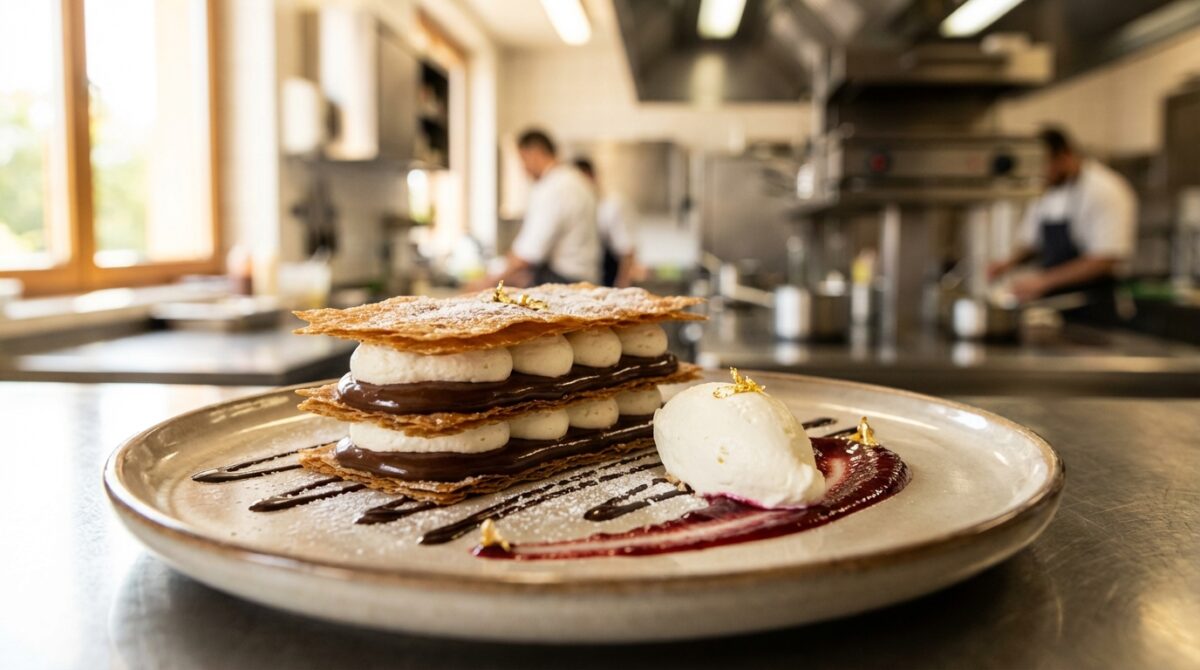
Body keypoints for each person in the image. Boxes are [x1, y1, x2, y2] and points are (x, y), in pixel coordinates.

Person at [988, 127, 1137, 325]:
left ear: (1065, 155)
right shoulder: (1046, 189)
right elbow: (1031, 242)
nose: (1040, 172)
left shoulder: (1107, 190)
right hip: (1053, 306)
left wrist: (1043, 281)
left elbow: (1105, 259)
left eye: (1044, 164)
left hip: (1093, 308)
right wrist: (1007, 264)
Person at [481, 129, 599, 287]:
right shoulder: (575, 179)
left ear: (535, 153)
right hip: (585, 278)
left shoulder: (554, 187)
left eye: (523, 159)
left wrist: (487, 281)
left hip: (565, 282)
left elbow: (528, 252)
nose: (523, 168)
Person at [573, 158, 638, 287]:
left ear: (590, 177)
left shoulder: (612, 204)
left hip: (613, 276)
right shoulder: (585, 206)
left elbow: (627, 249)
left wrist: (621, 286)